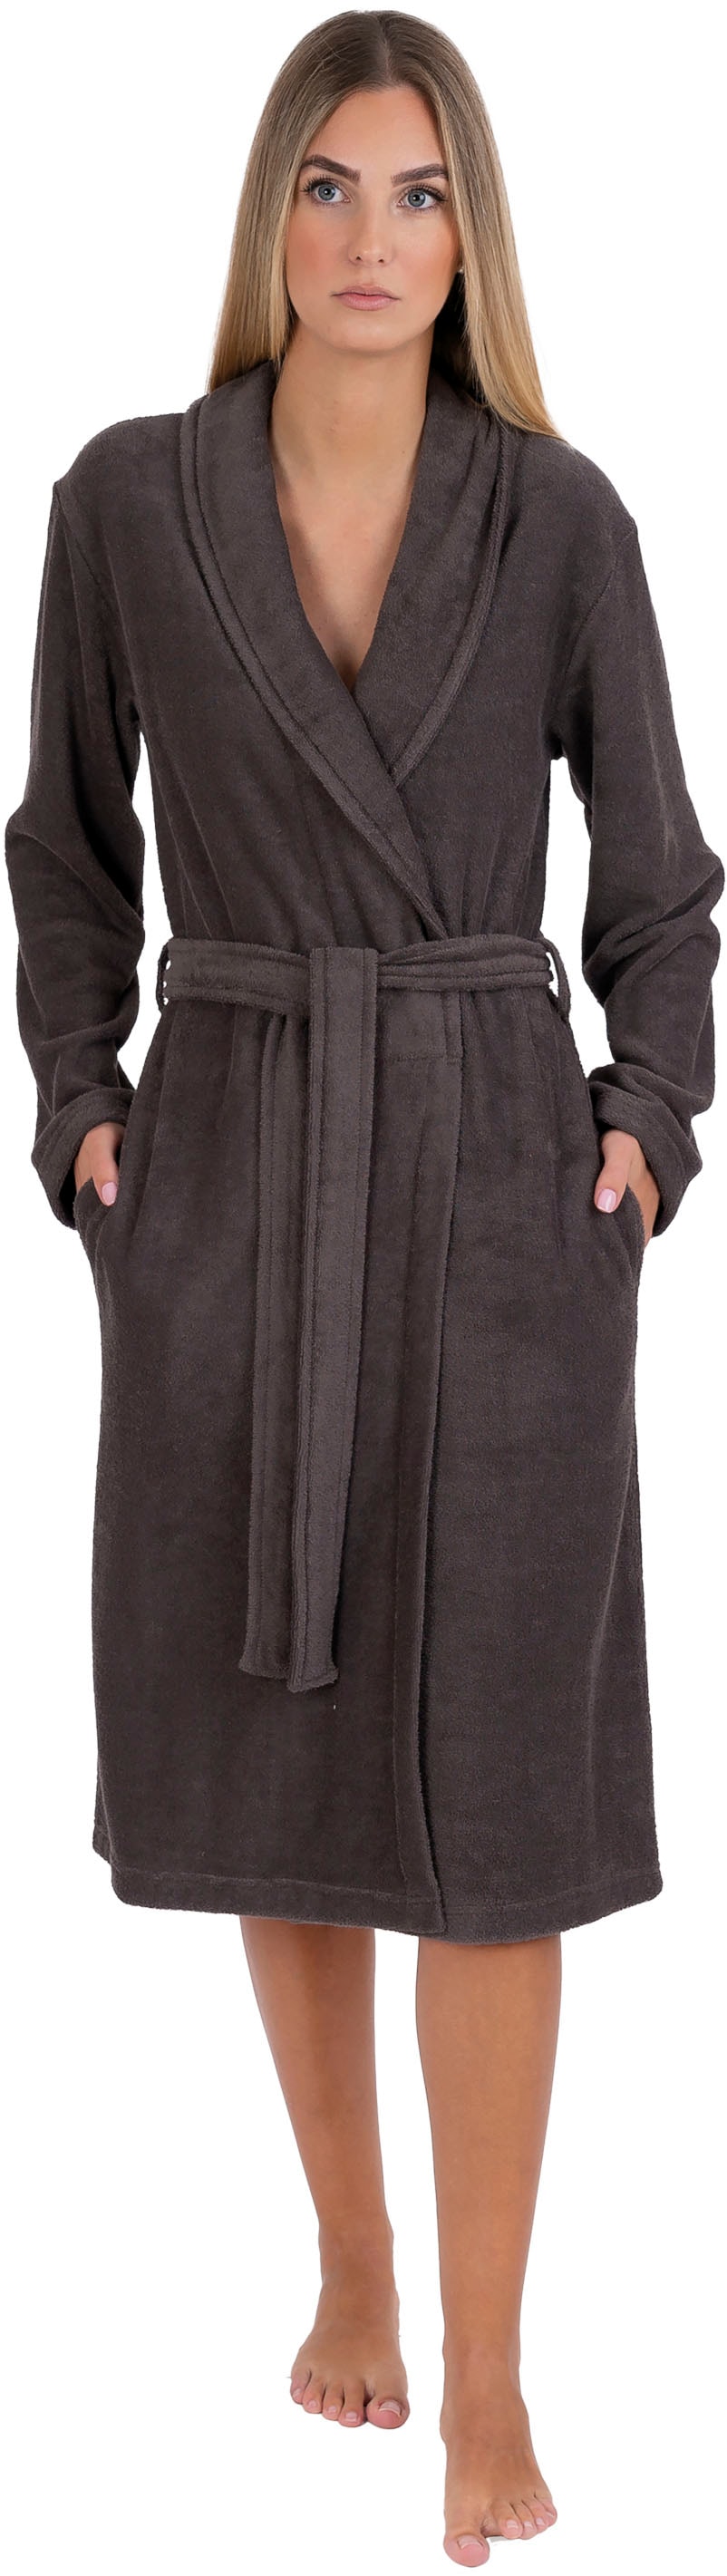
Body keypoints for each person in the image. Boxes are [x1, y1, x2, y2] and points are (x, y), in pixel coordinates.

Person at [5, 11, 722, 2564]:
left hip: (499, 1192)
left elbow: (661, 880)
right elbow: (63, 847)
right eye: (326, 184)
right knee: (276, 1747)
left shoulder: (561, 519)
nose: (369, 238)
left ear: (472, 234)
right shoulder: (128, 499)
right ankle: (349, 2249)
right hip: (232, 1171)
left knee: (496, 1797)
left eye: (419, 194)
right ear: (266, 216)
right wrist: (86, 1112)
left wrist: (638, 1133)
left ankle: (492, 2377)